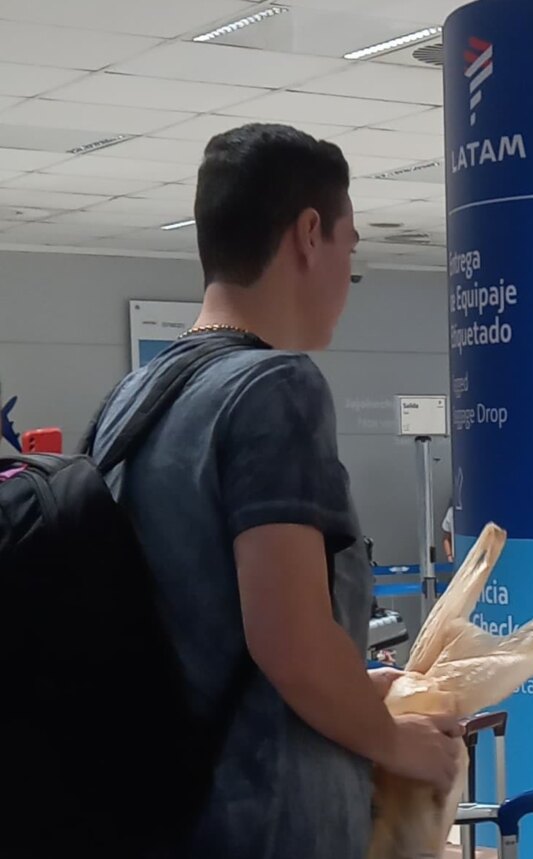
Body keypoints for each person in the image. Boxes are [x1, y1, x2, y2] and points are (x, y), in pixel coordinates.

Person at [87, 123, 462, 858]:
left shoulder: (130, 402)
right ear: (308, 234)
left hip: (159, 805)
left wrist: (354, 688)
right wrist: (398, 743)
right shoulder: (274, 389)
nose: (346, 279)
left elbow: (202, 627)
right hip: (264, 823)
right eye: (351, 250)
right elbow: (287, 639)